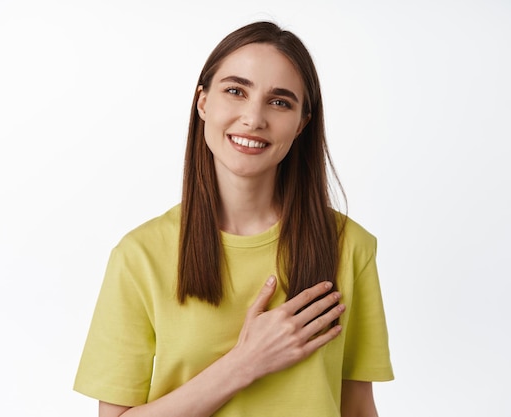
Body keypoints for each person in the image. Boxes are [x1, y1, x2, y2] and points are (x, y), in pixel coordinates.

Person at [74, 21, 393, 417]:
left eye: (280, 102)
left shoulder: (350, 247)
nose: (253, 118)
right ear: (203, 102)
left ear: (302, 123)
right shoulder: (140, 256)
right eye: (235, 91)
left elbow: (358, 409)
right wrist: (245, 363)